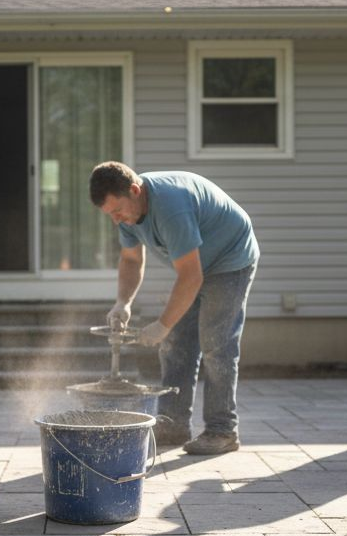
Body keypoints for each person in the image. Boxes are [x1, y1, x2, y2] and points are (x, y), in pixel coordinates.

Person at [89, 161, 259, 455]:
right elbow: (131, 261)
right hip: (196, 266)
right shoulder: (129, 214)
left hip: (231, 258)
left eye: (117, 212)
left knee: (216, 343)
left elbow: (191, 276)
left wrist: (163, 324)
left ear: (134, 190)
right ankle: (173, 423)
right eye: (110, 216)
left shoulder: (170, 206)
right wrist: (123, 302)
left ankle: (222, 430)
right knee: (175, 344)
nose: (116, 220)